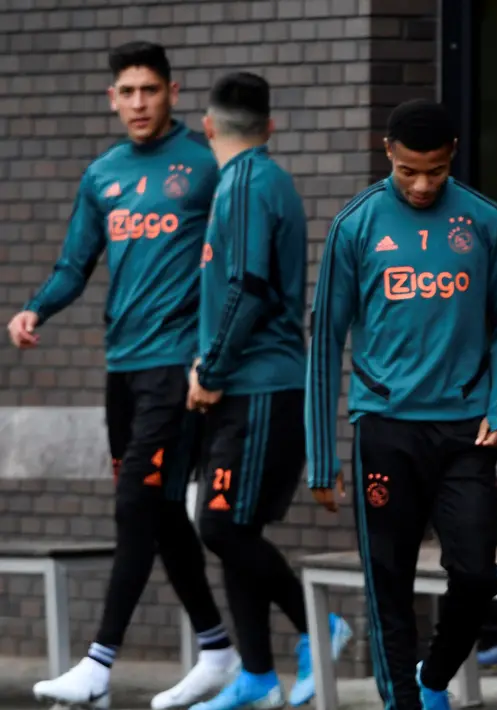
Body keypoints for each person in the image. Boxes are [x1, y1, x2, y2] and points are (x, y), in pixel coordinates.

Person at [8, 41, 241, 710]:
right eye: (127, 92)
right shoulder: (102, 174)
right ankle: (219, 648)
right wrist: (35, 309)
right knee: (163, 514)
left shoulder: (205, 165)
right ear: (112, 98)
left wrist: (217, 354)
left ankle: (99, 660)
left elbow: (235, 261)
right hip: (124, 370)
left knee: (135, 505)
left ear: (172, 91)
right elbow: (74, 263)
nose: (138, 102)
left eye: (150, 89)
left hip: (180, 371)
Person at [305, 98, 497, 710]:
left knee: (478, 574)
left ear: (452, 153)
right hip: (385, 429)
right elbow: (324, 341)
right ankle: (402, 700)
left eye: (434, 170)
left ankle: (433, 677)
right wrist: (321, 461)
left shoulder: (484, 220)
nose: (423, 184)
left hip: (466, 431)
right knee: (388, 586)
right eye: (409, 171)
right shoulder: (356, 225)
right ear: (388, 154)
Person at [185, 71, 352, 710]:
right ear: (271, 125)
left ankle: (318, 630)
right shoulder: (247, 180)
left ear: (207, 127)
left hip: (257, 387)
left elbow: (249, 285)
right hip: (242, 388)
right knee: (235, 527)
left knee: (222, 527)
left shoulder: (252, 182)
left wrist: (212, 371)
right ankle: (256, 676)